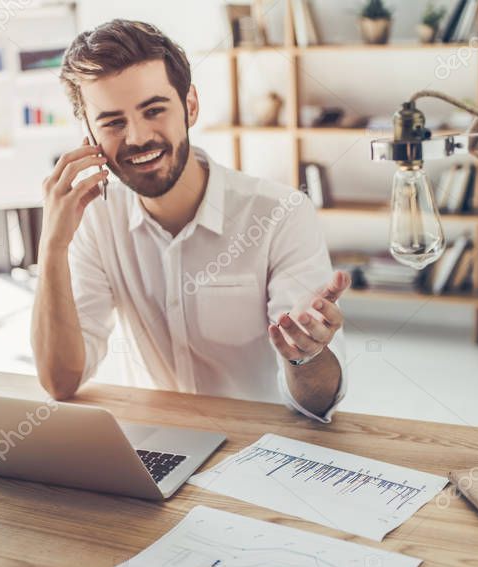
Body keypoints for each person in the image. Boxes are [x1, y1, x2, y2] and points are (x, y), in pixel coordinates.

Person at [32, 19, 350, 422]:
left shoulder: (281, 214)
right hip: (155, 451)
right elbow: (61, 382)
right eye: (113, 122)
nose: (137, 137)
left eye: (154, 110)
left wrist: (308, 355)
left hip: (261, 446)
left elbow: (317, 403)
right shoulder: (94, 220)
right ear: (89, 135)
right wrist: (52, 246)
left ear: (190, 106)